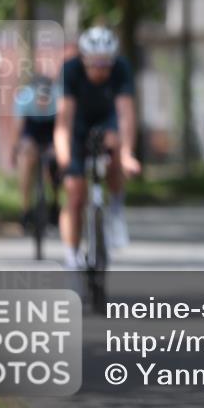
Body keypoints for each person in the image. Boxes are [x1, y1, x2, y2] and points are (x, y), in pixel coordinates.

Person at [54, 26, 141, 269]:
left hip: (107, 120)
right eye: (95, 64)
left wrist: (127, 154)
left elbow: (126, 114)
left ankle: (115, 207)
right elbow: (64, 120)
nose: (101, 70)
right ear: (84, 59)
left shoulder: (121, 69)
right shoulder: (70, 71)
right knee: (75, 192)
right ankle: (72, 254)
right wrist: (64, 158)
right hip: (78, 124)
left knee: (114, 145)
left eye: (106, 64)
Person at [12, 75, 60, 229]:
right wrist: (15, 150)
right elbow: (18, 129)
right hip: (31, 129)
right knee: (26, 159)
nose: (43, 103)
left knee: (54, 163)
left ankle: (55, 203)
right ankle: (25, 209)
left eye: (46, 99)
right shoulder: (24, 99)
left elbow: (62, 129)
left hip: (52, 128)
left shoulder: (59, 98)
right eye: (40, 98)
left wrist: (58, 149)